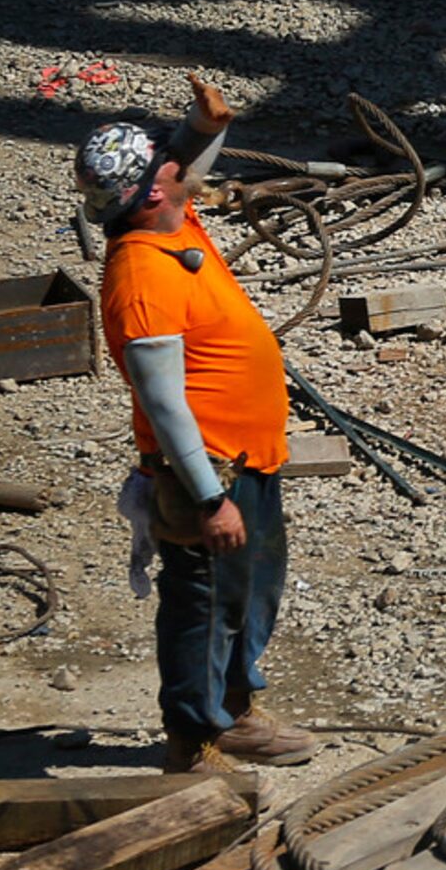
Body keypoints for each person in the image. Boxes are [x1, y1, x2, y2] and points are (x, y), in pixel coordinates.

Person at [76, 75, 317, 773]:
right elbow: (162, 402)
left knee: (249, 592)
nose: (184, 166)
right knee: (203, 606)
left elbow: (181, 169)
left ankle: (235, 712)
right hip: (207, 472)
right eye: (170, 162)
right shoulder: (142, 277)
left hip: (252, 458)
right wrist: (208, 499)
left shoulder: (170, 221)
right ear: (153, 190)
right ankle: (193, 741)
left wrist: (203, 126)